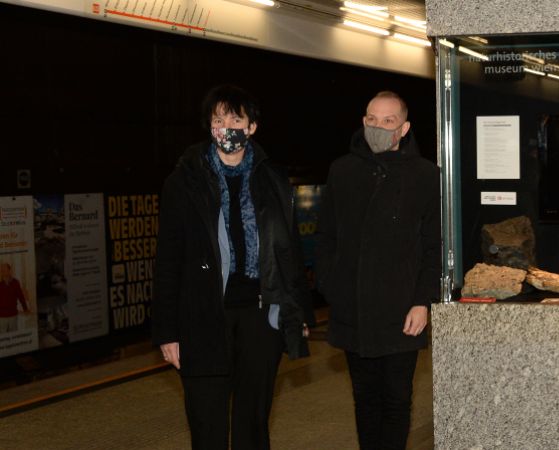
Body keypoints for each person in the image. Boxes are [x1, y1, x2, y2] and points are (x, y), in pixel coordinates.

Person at [153, 85, 314, 450]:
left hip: (260, 314)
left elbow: (288, 250)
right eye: (218, 119)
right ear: (209, 127)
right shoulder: (183, 182)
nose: (226, 127)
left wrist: (298, 312)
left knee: (253, 422)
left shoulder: (272, 179)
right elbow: (167, 259)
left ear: (252, 127)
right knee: (206, 423)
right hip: (203, 315)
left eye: (235, 119)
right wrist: (166, 331)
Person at [317, 91, 441, 450]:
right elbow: (326, 237)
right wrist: (332, 286)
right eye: (372, 119)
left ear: (404, 128)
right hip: (353, 309)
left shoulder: (425, 175)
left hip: (403, 311)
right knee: (365, 400)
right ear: (363, 121)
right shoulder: (342, 170)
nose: (378, 126)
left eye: (388, 121)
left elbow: (434, 247)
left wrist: (423, 301)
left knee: (397, 400)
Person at [0, 262, 32, 333]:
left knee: (13, 335)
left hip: (13, 315)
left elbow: (21, 297)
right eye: (2, 270)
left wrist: (25, 309)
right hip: (1, 316)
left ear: (9, 270)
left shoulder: (15, 282)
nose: (3, 271)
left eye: (5, 269)